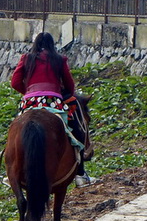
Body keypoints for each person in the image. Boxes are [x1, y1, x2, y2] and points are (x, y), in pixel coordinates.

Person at [10, 32, 92, 186]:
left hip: (29, 102)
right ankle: (80, 173)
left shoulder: (26, 58)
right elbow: (70, 85)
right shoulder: (59, 60)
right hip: (53, 101)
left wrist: (28, 93)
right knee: (75, 128)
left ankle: (10, 172)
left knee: (15, 130)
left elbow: (14, 82)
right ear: (52, 45)